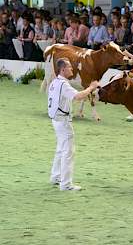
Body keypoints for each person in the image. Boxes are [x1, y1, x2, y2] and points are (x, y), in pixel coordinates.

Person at [48, 58, 99, 191]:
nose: (72, 69)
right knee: (68, 152)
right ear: (63, 70)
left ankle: (56, 176)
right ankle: (66, 184)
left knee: (61, 149)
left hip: (56, 119)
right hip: (63, 121)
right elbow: (77, 96)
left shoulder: (55, 82)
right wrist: (91, 88)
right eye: (69, 67)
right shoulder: (63, 84)